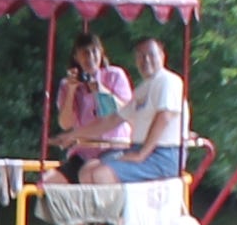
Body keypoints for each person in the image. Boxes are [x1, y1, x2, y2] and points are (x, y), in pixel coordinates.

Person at [73, 38, 190, 184]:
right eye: (141, 56)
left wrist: (142, 153)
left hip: (163, 155)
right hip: (137, 148)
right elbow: (115, 119)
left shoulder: (169, 81)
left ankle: (114, 207)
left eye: (151, 55)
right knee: (87, 170)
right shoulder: (142, 89)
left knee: (101, 174)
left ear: (162, 55)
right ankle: (97, 206)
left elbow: (164, 117)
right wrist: (71, 135)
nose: (146, 60)